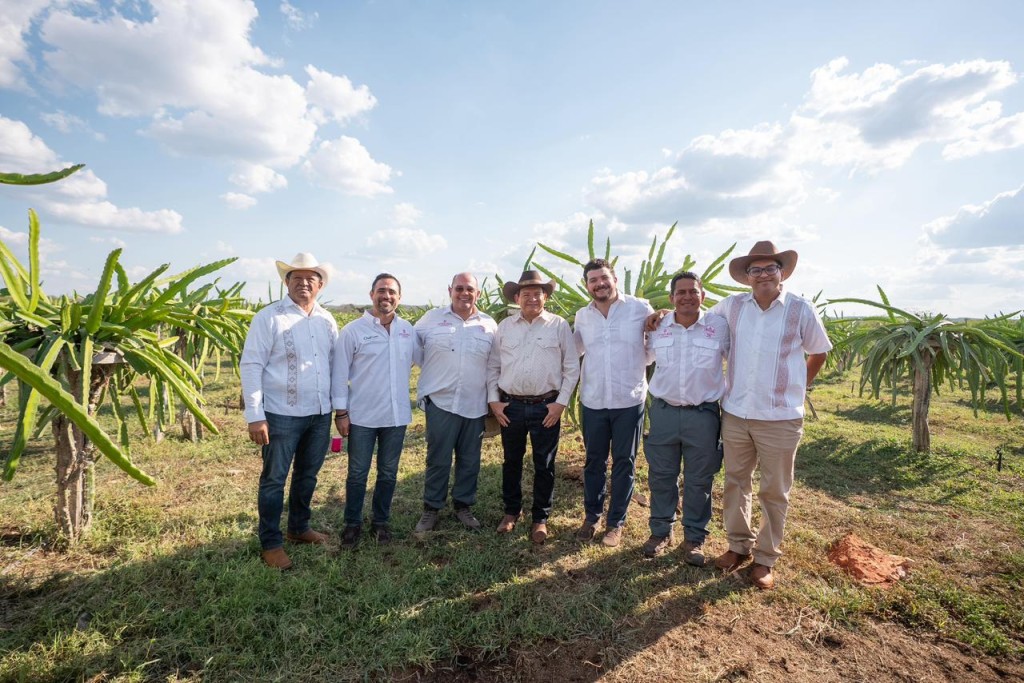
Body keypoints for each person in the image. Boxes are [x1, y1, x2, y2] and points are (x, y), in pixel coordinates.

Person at [710, 241, 831, 589]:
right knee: (736, 482)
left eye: (770, 269)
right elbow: (696, 322)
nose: (763, 275)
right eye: (756, 270)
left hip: (780, 418)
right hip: (735, 412)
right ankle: (738, 545)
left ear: (781, 273)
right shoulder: (731, 308)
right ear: (747, 277)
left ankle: (765, 558)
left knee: (775, 490)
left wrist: (797, 386)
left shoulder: (799, 309)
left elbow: (819, 352)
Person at [241, 253, 336, 570]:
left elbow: (334, 366)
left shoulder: (326, 320)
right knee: (273, 480)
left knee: (307, 475)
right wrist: (256, 414)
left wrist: (338, 410)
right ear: (287, 282)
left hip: (320, 413)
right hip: (281, 414)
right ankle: (270, 543)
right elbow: (252, 364)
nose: (304, 283)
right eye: (297, 277)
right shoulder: (269, 317)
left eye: (311, 278)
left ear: (320, 285)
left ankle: (298, 527)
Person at [487, 270, 580, 544]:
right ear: (517, 297)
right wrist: (494, 401)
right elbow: (493, 366)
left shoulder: (559, 325)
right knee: (511, 461)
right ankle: (511, 512)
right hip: (511, 406)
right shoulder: (504, 327)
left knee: (545, 464)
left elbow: (572, 368)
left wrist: (560, 404)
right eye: (525, 294)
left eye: (537, 293)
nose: (531, 298)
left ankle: (540, 517)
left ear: (546, 297)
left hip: (546, 407)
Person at [643, 272, 729, 566]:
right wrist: (651, 319)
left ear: (703, 296)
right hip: (664, 411)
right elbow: (644, 358)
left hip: (703, 415)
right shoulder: (658, 326)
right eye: (681, 292)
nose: (687, 296)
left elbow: (738, 359)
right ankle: (660, 531)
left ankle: (694, 538)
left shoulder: (719, 327)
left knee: (699, 480)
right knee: (661, 475)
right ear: (671, 298)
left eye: (693, 291)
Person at [333, 273, 419, 547]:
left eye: (392, 292)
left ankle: (380, 522)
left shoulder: (408, 330)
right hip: (362, 417)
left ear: (399, 297)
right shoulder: (353, 332)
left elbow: (424, 361)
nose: (387, 296)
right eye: (381, 290)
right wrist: (341, 412)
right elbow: (339, 374)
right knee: (357, 473)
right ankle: (352, 524)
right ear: (371, 295)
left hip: (396, 416)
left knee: (388, 472)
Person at [572, 259, 654, 547]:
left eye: (603, 278)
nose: (599, 284)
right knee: (594, 461)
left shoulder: (639, 308)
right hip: (593, 400)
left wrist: (636, 365)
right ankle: (592, 517)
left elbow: (653, 345)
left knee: (624, 462)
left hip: (628, 400)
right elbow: (574, 351)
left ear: (615, 278)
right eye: (593, 280)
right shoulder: (583, 316)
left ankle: (615, 522)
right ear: (587, 285)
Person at [413, 273, 497, 533]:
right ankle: (431, 509)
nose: (464, 293)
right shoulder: (431, 320)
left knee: (470, 459)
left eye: (469, 289)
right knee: (438, 458)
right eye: (459, 288)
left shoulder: (490, 325)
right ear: (450, 290)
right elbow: (414, 351)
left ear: (478, 294)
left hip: (475, 403)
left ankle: (463, 506)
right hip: (441, 401)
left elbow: (495, 365)